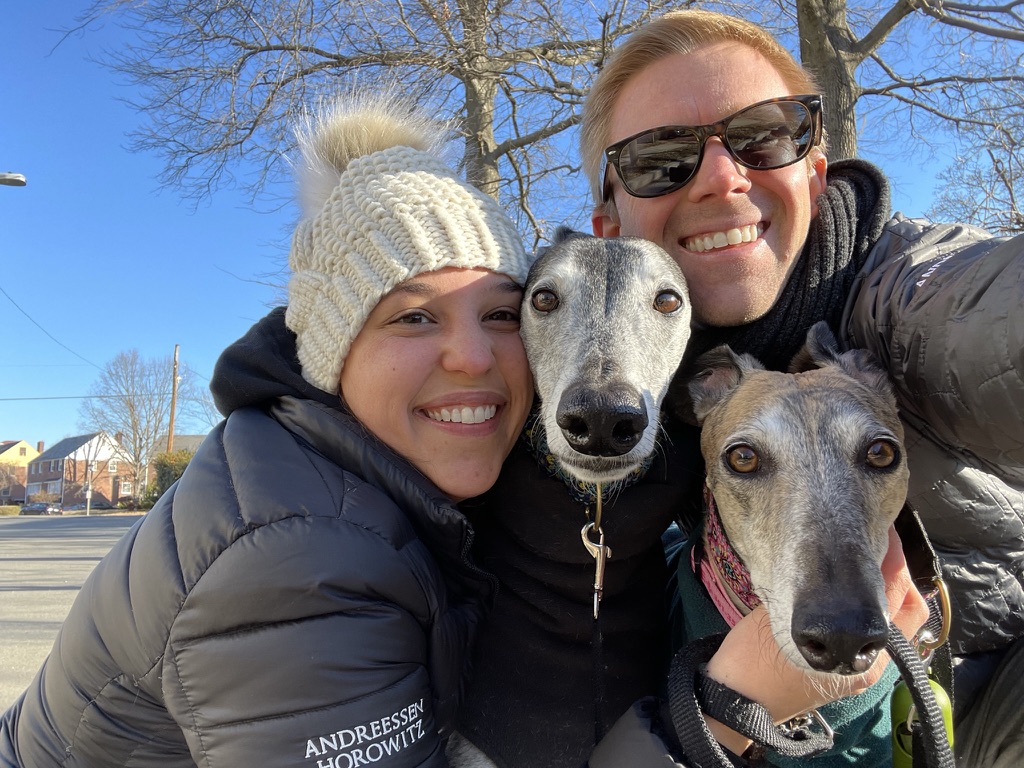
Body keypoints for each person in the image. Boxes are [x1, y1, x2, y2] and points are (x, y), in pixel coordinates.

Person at [0, 91, 534, 767]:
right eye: (414, 318)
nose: (477, 357)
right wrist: (704, 722)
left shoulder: (349, 473)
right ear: (332, 354)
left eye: (503, 316)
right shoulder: (299, 555)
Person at [580, 8, 1024, 765]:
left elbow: (992, 322)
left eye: (762, 135)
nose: (723, 178)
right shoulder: (587, 387)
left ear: (813, 175)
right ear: (609, 227)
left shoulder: (908, 304)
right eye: (660, 157)